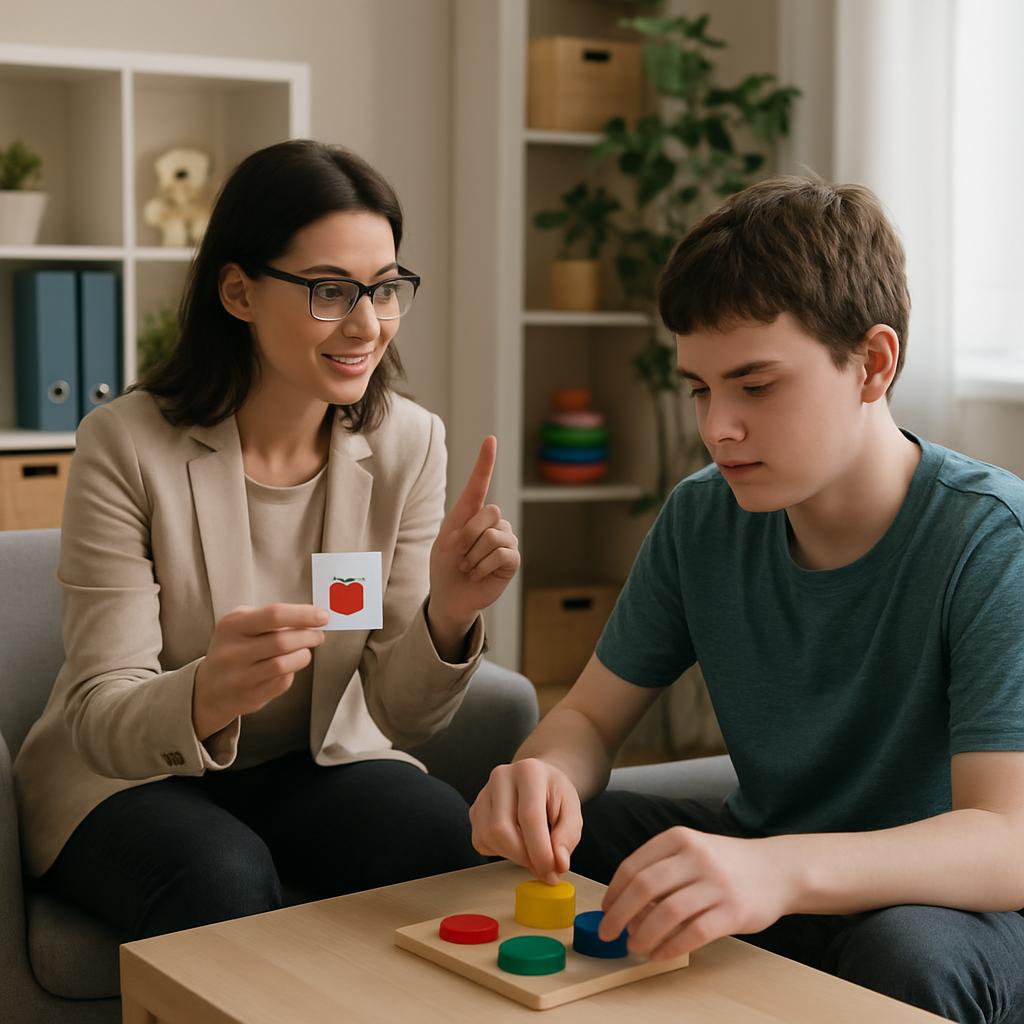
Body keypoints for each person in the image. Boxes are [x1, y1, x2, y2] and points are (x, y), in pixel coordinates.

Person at [469, 177, 1024, 1024]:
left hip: (951, 904)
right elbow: (588, 720)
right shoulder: (704, 516)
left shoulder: (990, 541)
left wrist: (780, 869)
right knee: (579, 838)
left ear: (873, 364)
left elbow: (1008, 839)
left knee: (905, 956)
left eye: (756, 386)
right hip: (776, 865)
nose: (717, 425)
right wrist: (543, 776)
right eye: (699, 388)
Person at [14, 139, 520, 940]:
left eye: (384, 290)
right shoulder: (125, 444)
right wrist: (210, 691)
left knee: (441, 840)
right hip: (129, 776)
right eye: (329, 290)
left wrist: (447, 615)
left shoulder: (409, 443)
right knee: (221, 870)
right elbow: (98, 710)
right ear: (239, 292)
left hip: (314, 763)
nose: (366, 324)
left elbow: (401, 714)